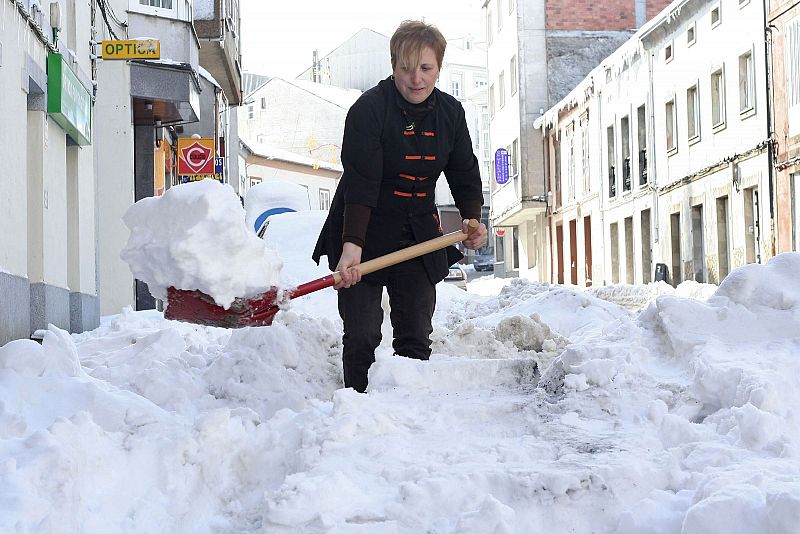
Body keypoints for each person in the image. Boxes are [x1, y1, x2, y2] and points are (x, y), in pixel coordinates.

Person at [313, 20, 488, 393]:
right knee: (362, 332)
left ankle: (409, 408)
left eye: (425, 68)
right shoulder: (369, 110)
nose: (416, 78)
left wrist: (472, 217)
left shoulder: (451, 114)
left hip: (417, 232)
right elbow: (362, 182)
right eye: (406, 68)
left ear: (439, 68)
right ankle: (356, 408)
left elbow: (463, 169)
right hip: (363, 226)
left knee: (415, 332)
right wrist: (351, 247)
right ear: (393, 66)